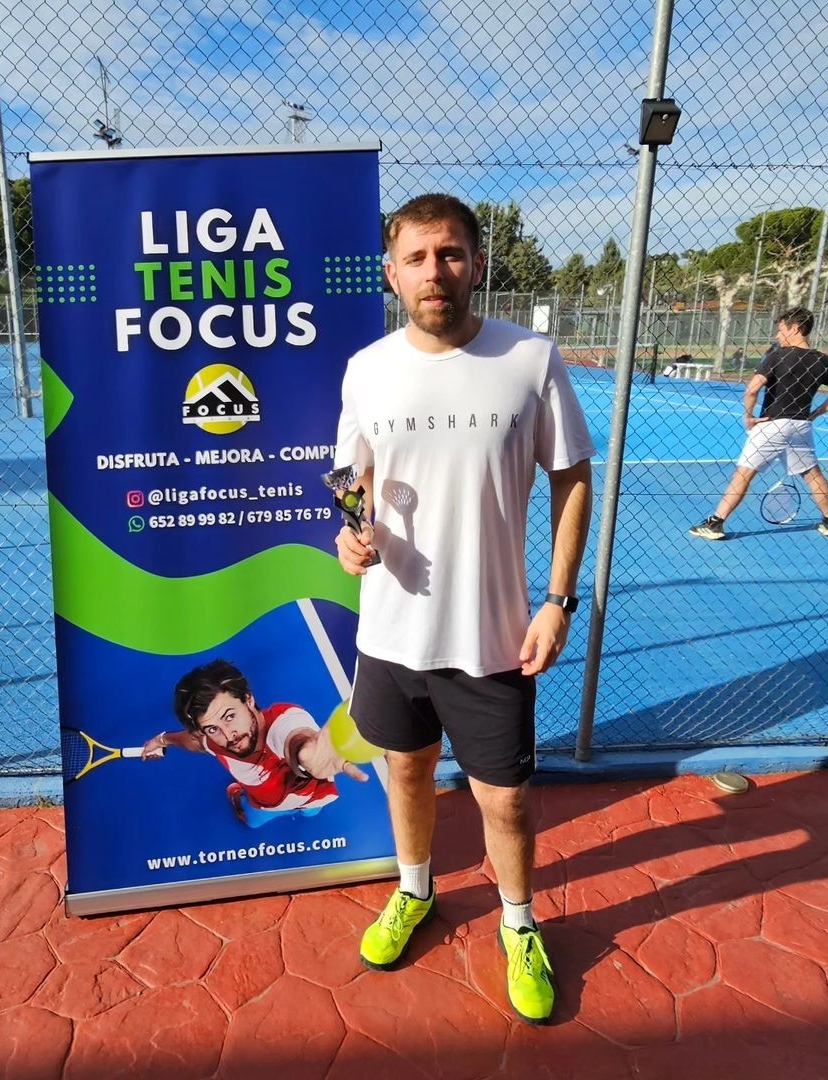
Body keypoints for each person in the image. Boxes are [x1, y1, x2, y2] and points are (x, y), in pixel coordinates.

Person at [332, 193, 594, 1024]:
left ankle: (519, 924)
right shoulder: (367, 369)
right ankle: (415, 891)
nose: (433, 272)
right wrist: (349, 535)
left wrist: (557, 600)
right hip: (391, 631)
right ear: (391, 273)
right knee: (406, 770)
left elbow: (573, 476)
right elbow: (351, 476)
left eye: (449, 254)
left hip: (491, 634)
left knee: (505, 799)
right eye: (416, 258)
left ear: (477, 264)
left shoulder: (530, 359)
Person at [141, 659, 367, 827]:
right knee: (252, 820)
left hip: (314, 797)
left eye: (230, 716)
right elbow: (194, 742)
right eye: (212, 728)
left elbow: (295, 736)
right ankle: (242, 799)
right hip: (263, 805)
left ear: (248, 699)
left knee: (311, 811)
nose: (229, 735)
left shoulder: (284, 721)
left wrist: (305, 754)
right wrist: (162, 740)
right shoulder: (213, 741)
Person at [689, 307, 828, 540]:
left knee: (743, 475)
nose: (777, 335)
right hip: (800, 427)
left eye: (781, 329)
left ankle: (716, 523)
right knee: (813, 475)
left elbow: (752, 389)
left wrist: (748, 416)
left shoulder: (777, 356)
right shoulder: (823, 360)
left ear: (795, 328)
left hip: (771, 425)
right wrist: (816, 413)